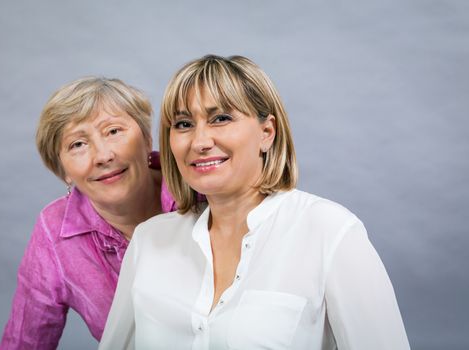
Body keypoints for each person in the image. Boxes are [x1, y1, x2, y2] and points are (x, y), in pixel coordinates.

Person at [99, 55, 410, 349]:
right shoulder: (150, 240)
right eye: (183, 124)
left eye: (220, 118)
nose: (200, 141)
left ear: (266, 133)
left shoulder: (329, 232)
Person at [0, 77, 175, 349]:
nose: (103, 156)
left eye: (114, 131)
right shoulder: (55, 231)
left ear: (147, 138)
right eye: (77, 144)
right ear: (64, 171)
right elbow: (25, 340)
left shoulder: (197, 186)